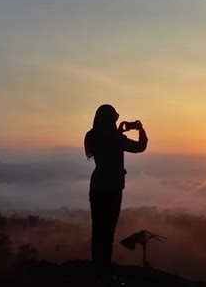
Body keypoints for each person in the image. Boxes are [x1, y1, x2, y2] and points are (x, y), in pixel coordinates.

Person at [84, 104, 148, 285]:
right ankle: (106, 275)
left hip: (96, 188)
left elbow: (99, 149)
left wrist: (119, 132)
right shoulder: (116, 138)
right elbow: (140, 147)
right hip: (112, 189)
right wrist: (140, 128)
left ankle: (99, 271)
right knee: (108, 232)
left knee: (98, 231)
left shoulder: (92, 136)